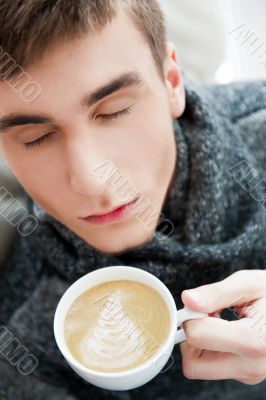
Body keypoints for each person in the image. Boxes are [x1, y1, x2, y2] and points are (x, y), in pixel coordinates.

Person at [0, 1, 266, 399]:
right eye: (34, 138)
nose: (91, 181)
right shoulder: (22, 343)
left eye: (114, 112)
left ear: (172, 81)